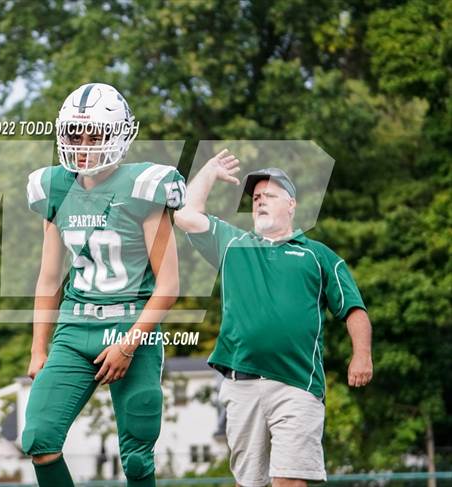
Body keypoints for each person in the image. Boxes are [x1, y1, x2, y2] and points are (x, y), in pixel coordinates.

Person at [174, 151, 373, 487]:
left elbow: (354, 309)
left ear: (291, 204)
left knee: (290, 481)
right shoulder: (233, 244)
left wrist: (362, 355)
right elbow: (184, 215)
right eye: (255, 198)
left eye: (269, 195)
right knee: (248, 483)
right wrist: (209, 171)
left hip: (297, 384)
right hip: (241, 385)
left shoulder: (318, 255)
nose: (260, 202)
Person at [23, 83, 184, 487]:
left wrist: (128, 345)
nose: (82, 145)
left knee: (137, 458)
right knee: (39, 439)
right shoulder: (56, 187)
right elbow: (49, 279)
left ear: (118, 135)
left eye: (94, 135)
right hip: (74, 329)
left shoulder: (143, 186)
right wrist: (39, 348)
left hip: (132, 323)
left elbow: (169, 286)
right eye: (74, 134)